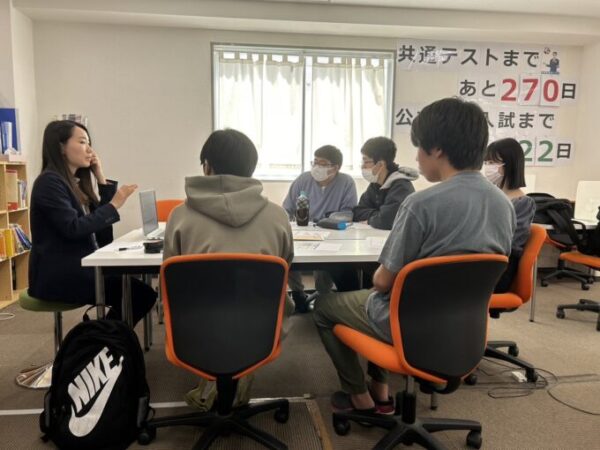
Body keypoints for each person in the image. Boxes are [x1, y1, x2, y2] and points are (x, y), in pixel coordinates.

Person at [313, 97, 516, 414]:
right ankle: (380, 389)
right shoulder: (504, 205)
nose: (417, 158)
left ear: (437, 149)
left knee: (325, 306)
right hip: (465, 328)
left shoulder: (422, 204)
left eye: (419, 147)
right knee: (376, 297)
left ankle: (359, 396)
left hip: (406, 323)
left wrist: (380, 276)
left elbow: (382, 282)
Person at [163, 128, 295, 410]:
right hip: (261, 330)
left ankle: (213, 390)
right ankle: (234, 385)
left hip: (193, 330)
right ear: (251, 169)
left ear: (207, 166)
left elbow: (168, 281)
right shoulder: (278, 215)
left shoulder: (179, 216)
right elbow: (287, 267)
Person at [29, 120, 156, 325]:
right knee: (139, 294)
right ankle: (100, 339)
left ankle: (104, 337)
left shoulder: (75, 184)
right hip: (60, 276)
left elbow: (103, 236)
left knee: (137, 290)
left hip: (79, 268)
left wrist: (100, 177)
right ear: (61, 147)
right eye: (82, 142)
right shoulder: (49, 182)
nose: (90, 150)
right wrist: (114, 204)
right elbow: (73, 228)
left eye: (89, 143)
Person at [283, 145, 358, 311]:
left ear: (335, 168)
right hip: (303, 231)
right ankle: (298, 293)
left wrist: (325, 222)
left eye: (322, 164)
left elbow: (348, 213)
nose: (316, 167)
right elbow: (286, 209)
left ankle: (323, 296)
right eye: (315, 162)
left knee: (327, 259)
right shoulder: (303, 179)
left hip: (331, 234)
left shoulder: (346, 182)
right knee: (287, 251)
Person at [483, 138, 536, 292]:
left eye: (493, 162)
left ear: (510, 164)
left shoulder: (523, 203)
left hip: (499, 269)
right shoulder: (490, 196)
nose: (488, 167)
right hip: (483, 261)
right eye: (486, 162)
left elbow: (511, 244)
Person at [353, 136, 418, 230]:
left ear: (381, 164)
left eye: (366, 161)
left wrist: (371, 219)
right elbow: (357, 212)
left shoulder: (401, 186)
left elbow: (387, 221)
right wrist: (378, 215)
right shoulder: (375, 184)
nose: (362, 166)